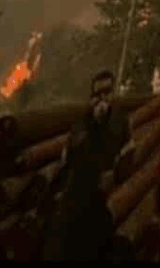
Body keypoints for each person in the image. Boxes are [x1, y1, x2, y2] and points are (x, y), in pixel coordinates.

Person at [43, 70, 134, 261]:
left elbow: (129, 155)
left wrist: (115, 175)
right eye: (97, 94)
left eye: (106, 92)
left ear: (113, 93)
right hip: (76, 197)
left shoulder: (120, 122)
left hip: (103, 200)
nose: (102, 98)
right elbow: (68, 157)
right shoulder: (81, 124)